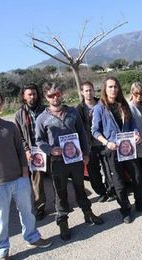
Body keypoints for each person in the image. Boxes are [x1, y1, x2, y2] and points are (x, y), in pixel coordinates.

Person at [0, 89, 52, 260]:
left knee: (28, 212)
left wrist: (24, 175)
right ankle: (1, 250)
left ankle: (32, 237)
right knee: (0, 220)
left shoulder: (10, 126)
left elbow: (21, 151)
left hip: (19, 179)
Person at [35, 82, 103, 241]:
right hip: (58, 163)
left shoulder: (72, 112)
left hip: (76, 159)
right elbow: (39, 141)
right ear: (46, 97)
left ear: (62, 94)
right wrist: (50, 150)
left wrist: (86, 153)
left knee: (80, 187)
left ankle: (88, 213)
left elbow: (82, 133)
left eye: (57, 93)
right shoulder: (42, 118)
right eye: (51, 95)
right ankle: (63, 222)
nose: (55, 97)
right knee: (61, 192)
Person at [92, 76, 142, 224]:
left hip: (128, 147)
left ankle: (141, 204)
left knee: (137, 176)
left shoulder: (123, 104)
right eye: (110, 87)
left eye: (115, 86)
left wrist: (136, 133)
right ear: (105, 89)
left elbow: (132, 123)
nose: (113, 89)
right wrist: (106, 143)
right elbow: (95, 131)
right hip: (112, 150)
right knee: (119, 182)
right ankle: (125, 210)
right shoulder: (99, 108)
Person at [76, 81, 114, 203]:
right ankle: (101, 193)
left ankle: (112, 190)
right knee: (93, 172)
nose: (89, 92)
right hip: (89, 145)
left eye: (90, 90)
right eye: (86, 90)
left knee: (108, 168)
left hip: (104, 142)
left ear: (94, 90)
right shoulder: (79, 109)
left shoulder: (102, 103)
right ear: (82, 92)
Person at [14, 83, 47, 221]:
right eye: (29, 94)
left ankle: (61, 203)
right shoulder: (19, 114)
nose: (32, 96)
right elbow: (19, 135)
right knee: (37, 181)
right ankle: (40, 207)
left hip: (48, 148)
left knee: (57, 177)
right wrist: (26, 150)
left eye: (34, 94)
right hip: (34, 152)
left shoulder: (46, 110)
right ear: (24, 96)